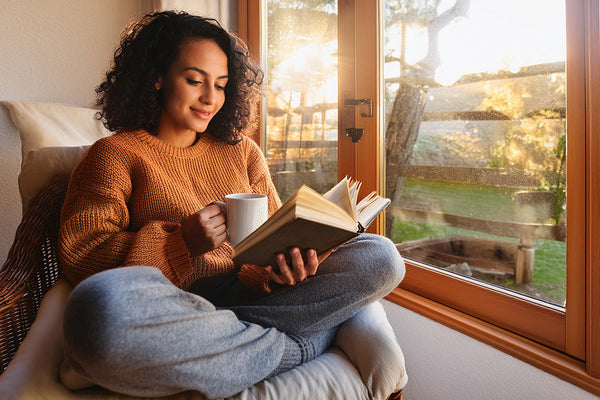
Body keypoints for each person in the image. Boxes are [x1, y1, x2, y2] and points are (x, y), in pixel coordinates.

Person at [58, 10, 405, 399]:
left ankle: (232, 352)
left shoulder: (243, 153)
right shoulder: (113, 155)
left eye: (221, 85)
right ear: (156, 76)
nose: (211, 98)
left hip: (253, 303)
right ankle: (305, 343)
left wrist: (284, 270)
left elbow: (270, 240)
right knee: (96, 314)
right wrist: (182, 244)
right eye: (195, 81)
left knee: (381, 256)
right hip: (175, 307)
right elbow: (82, 256)